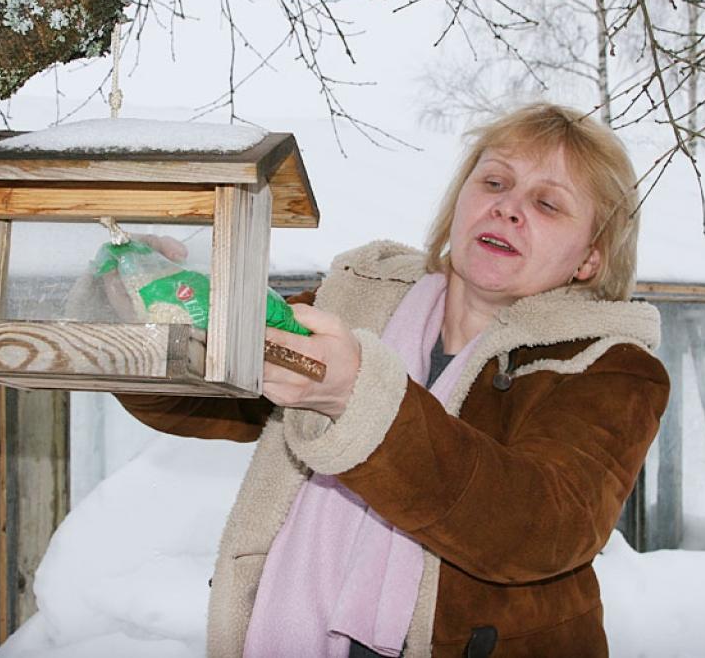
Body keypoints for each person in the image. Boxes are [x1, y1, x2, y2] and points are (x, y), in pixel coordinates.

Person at [115, 103, 670, 657]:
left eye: (547, 203)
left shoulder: (610, 367)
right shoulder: (359, 301)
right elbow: (194, 399)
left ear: (590, 259)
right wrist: (151, 301)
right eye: (494, 182)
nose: (507, 209)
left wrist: (360, 399)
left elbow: (540, 527)